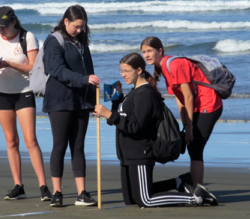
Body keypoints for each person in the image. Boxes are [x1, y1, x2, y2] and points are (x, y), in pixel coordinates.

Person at [93, 53, 218, 207]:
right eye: (121, 71)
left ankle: (197, 198)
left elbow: (135, 126)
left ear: (139, 70)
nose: (123, 75)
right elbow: (119, 120)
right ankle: (179, 182)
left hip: (140, 152)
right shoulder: (132, 93)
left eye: (127, 71)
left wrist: (108, 114)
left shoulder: (146, 94)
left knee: (145, 200)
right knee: (131, 198)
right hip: (127, 154)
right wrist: (116, 101)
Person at [0, 6, 51, 201]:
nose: (0, 30)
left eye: (4, 25)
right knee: (11, 141)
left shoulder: (27, 37)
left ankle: (43, 186)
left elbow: (33, 67)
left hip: (24, 92)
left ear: (13, 22)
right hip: (1, 93)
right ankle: (18, 186)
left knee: (30, 139)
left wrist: (8, 63)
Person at [141, 36, 223, 190]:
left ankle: (198, 189)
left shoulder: (174, 64)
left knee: (196, 146)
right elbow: (179, 97)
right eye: (144, 52)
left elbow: (189, 96)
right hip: (197, 106)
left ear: (160, 51)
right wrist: (184, 122)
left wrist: (190, 126)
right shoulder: (164, 67)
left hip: (209, 104)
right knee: (193, 146)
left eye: (149, 51)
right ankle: (195, 187)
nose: (146, 55)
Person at [42, 5, 100, 207]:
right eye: (76, 26)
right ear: (65, 21)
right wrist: (83, 79)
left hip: (81, 101)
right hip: (59, 99)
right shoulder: (54, 40)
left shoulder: (81, 42)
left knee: (78, 146)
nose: (79, 30)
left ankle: (81, 193)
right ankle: (57, 193)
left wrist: (93, 101)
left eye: (82, 27)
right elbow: (56, 70)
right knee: (60, 145)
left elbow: (89, 70)